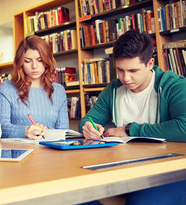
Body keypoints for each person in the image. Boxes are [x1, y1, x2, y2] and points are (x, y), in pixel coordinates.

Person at [79, 29, 186, 204]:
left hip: (171, 171)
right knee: (78, 197)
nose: (125, 78)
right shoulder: (113, 89)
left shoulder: (174, 85)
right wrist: (89, 127)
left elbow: (184, 127)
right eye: (120, 70)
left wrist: (130, 130)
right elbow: (88, 120)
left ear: (150, 63)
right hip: (124, 168)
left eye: (133, 70)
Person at [0, 35, 69, 139]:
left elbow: (63, 131)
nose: (34, 66)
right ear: (20, 62)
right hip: (17, 153)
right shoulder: (7, 88)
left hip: (50, 152)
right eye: (27, 61)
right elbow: (0, 128)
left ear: (47, 61)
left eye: (39, 60)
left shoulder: (58, 91)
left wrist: (46, 131)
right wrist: (26, 131)